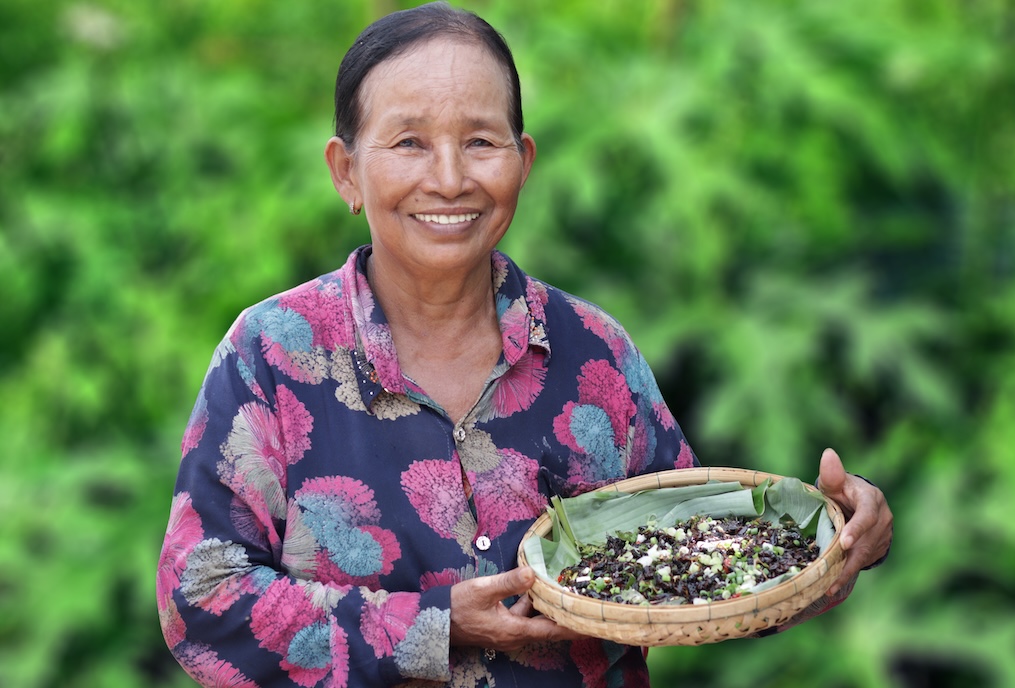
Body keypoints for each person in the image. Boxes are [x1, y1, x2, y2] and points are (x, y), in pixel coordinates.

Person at [155, 3, 893, 686]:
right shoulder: (271, 356)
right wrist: (437, 628)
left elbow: (704, 578)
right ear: (346, 171)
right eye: (409, 142)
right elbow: (201, 602)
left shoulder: (592, 352)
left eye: (480, 141)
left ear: (523, 162)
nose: (449, 179)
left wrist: (832, 550)